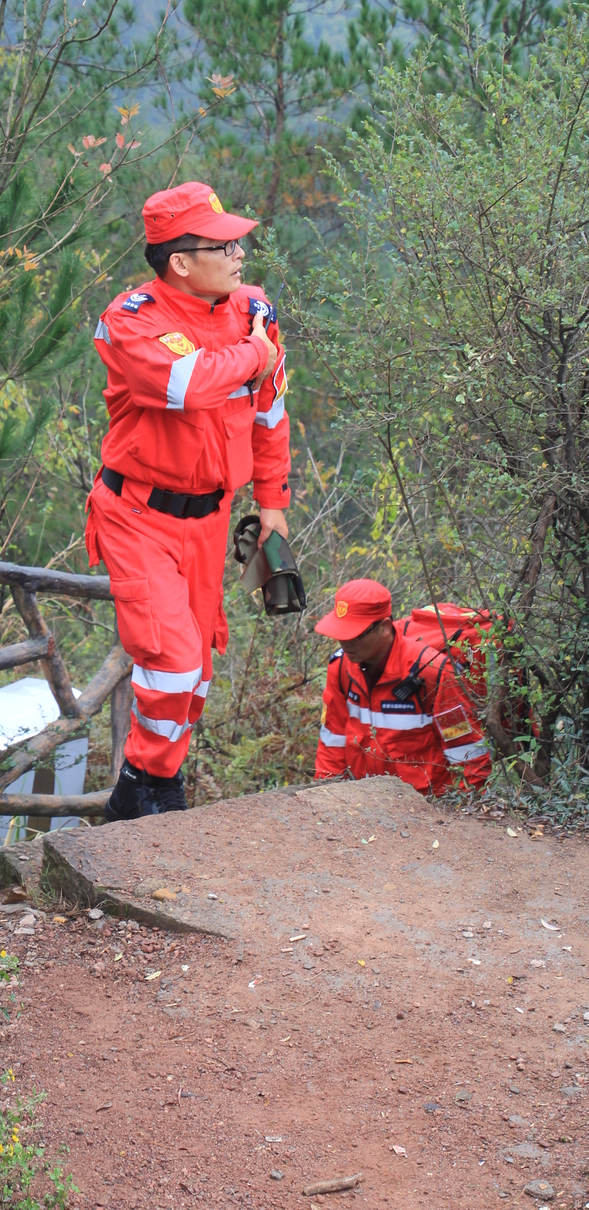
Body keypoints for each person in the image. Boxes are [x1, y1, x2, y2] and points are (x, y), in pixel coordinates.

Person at [85, 181, 291, 820]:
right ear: (180, 260)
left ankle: (142, 792)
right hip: (139, 516)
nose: (240, 252)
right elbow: (189, 383)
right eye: (223, 244)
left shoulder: (252, 307)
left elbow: (269, 412)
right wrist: (255, 350)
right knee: (171, 662)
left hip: (212, 519)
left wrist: (273, 505)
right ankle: (150, 785)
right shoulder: (134, 320)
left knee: (196, 670)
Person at [313, 578, 491, 795]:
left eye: (355, 635)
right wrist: (326, 799)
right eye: (341, 633)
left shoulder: (433, 673)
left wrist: (462, 813)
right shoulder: (340, 668)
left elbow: (467, 753)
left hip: (424, 807)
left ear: (385, 627)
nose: (345, 642)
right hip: (361, 804)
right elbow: (332, 742)